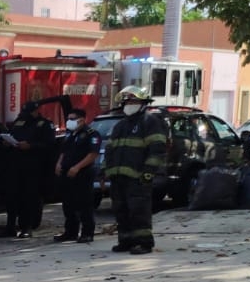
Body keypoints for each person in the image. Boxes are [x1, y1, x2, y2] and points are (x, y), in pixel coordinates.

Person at [104, 85, 169, 254]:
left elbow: (157, 149)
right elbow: (111, 150)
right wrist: (105, 172)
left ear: (143, 103)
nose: (129, 104)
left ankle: (144, 243)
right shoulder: (120, 125)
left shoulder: (150, 122)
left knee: (139, 210)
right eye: (127, 101)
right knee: (121, 210)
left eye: (133, 101)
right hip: (118, 177)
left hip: (138, 177)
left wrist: (148, 171)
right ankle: (125, 240)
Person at [0, 103, 58, 238]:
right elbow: (10, 135)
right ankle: (10, 227)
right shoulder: (19, 122)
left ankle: (26, 227)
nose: (26, 114)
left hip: (33, 168)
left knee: (29, 198)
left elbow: (50, 146)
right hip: (15, 166)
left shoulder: (44, 124)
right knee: (11, 197)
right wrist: (6, 143)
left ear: (37, 111)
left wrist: (30, 146)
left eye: (30, 112)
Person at [52, 107, 100, 242]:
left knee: (85, 204)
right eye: (68, 119)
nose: (69, 121)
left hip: (83, 173)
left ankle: (87, 233)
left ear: (82, 120)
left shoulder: (91, 133)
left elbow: (93, 154)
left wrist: (77, 167)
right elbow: (64, 151)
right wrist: (59, 163)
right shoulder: (69, 134)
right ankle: (70, 232)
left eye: (72, 119)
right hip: (67, 173)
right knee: (68, 204)